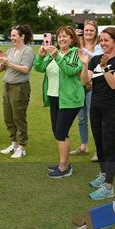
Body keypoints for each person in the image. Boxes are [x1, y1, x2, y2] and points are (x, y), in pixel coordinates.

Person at [79, 27, 115, 199]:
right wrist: (86, 63)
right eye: (101, 40)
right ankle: (103, 174)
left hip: (113, 110)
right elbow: (85, 83)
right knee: (99, 144)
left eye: (106, 40)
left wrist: (105, 68)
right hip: (96, 107)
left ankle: (109, 187)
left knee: (108, 146)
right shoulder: (95, 60)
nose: (103, 43)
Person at [35, 26, 84, 177]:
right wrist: (41, 56)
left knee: (61, 132)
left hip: (70, 99)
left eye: (65, 36)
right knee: (58, 131)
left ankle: (64, 168)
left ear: (72, 39)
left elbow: (71, 71)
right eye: (60, 36)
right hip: (54, 97)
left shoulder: (76, 53)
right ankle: (63, 163)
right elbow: (39, 68)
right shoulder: (53, 52)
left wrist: (57, 56)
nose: (62, 39)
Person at [0, 25, 35, 159]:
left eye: (14, 35)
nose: (12, 38)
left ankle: (22, 147)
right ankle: (13, 144)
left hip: (20, 88)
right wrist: (2, 61)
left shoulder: (28, 51)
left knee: (19, 117)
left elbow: (26, 69)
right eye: (11, 35)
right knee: (8, 117)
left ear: (22, 36)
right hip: (7, 86)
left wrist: (8, 63)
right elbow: (0, 69)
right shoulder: (10, 50)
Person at [71, 20, 103, 161]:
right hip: (79, 85)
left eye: (91, 30)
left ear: (96, 32)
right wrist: (75, 40)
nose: (88, 32)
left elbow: (93, 61)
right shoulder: (78, 44)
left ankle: (99, 150)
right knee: (82, 118)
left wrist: (81, 49)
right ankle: (84, 146)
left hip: (94, 85)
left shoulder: (99, 47)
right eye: (86, 30)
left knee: (95, 119)